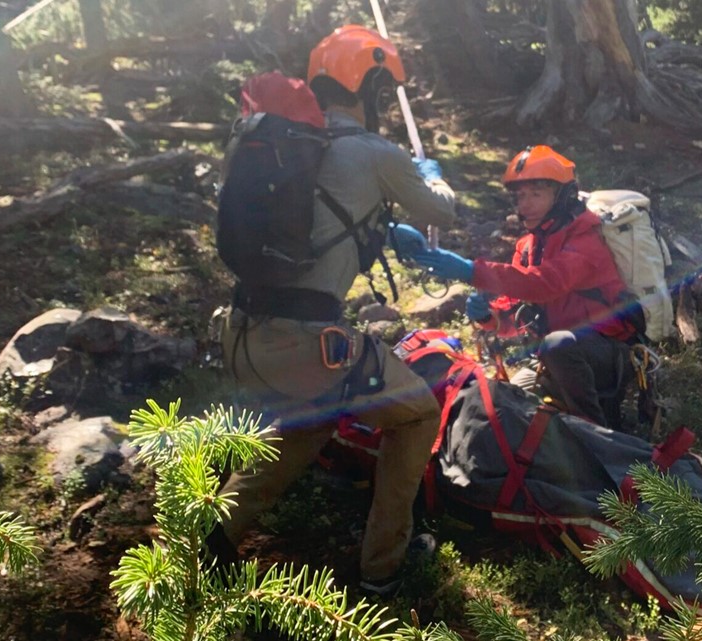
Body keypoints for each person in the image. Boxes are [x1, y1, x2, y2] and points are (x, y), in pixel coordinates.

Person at [210, 25, 456, 597]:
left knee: (311, 417)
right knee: (417, 413)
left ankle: (211, 537)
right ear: (368, 86)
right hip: (304, 342)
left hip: (241, 334)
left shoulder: (274, 142)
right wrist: (434, 177)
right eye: (381, 90)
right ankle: (383, 569)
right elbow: (443, 211)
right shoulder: (372, 151)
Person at [412, 145, 635, 429]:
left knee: (557, 344)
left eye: (536, 195)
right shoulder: (529, 248)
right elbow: (516, 317)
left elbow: (544, 284)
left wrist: (471, 271)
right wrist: (488, 318)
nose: (525, 204)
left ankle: (597, 434)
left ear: (562, 197)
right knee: (500, 404)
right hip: (554, 360)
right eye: (520, 196)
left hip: (604, 356)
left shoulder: (586, 239)